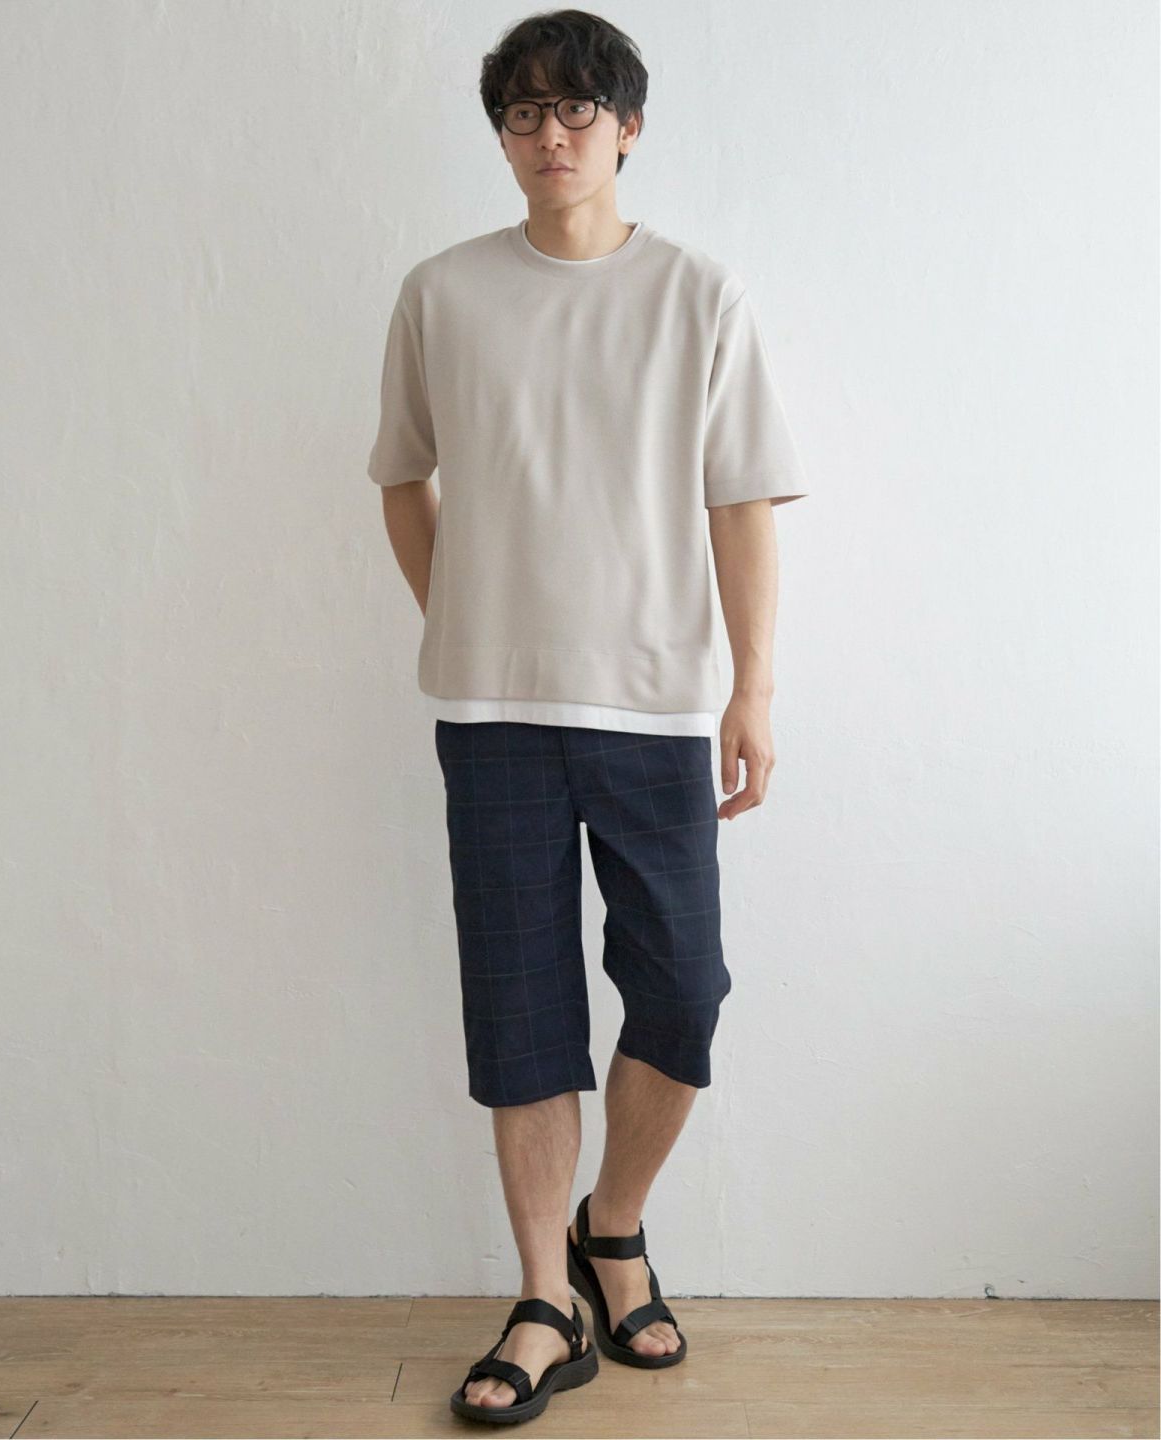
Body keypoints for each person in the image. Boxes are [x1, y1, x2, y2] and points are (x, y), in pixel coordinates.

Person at [367, 8, 809, 1424]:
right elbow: (402, 475)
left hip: (655, 705)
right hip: (489, 706)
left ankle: (613, 1227)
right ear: (501, 135)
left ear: (628, 128)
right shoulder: (442, 293)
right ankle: (545, 1297)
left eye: (577, 110)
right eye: (524, 113)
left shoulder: (698, 295)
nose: (550, 135)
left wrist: (752, 688)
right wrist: (456, 611)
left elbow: (741, 500)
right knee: (522, 1007)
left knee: (683, 988)